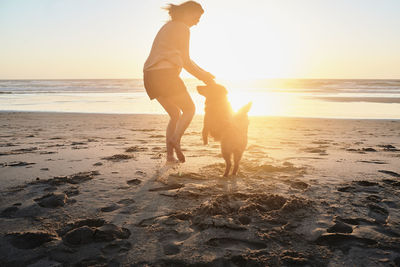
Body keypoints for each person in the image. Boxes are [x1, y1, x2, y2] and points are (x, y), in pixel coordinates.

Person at [143, 1, 215, 163]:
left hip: (149, 76)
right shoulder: (182, 28)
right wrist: (205, 77)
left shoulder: (168, 27)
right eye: (197, 16)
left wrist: (204, 74)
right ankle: (175, 140)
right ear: (187, 13)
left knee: (175, 114)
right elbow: (186, 61)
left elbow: (186, 60)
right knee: (190, 109)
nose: (198, 21)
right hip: (165, 74)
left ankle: (170, 156)